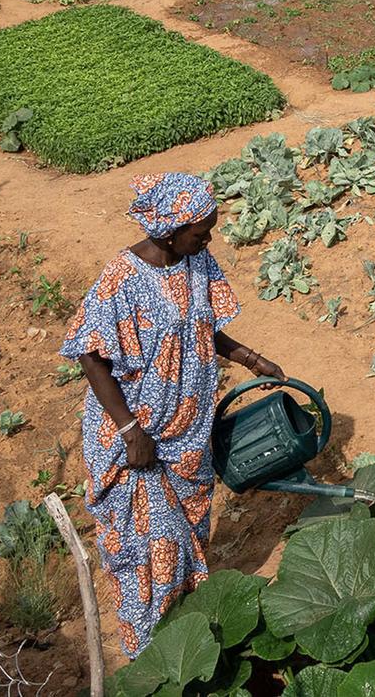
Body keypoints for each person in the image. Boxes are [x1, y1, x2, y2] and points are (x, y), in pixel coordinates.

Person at [61, 173, 284, 657]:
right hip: (138, 439)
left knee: (189, 535)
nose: (209, 240)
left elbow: (201, 327)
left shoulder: (194, 260)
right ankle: (154, 655)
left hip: (187, 433)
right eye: (201, 232)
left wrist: (249, 357)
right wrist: (130, 430)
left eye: (209, 231)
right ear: (168, 229)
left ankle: (188, 638)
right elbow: (90, 354)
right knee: (152, 548)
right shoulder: (122, 276)